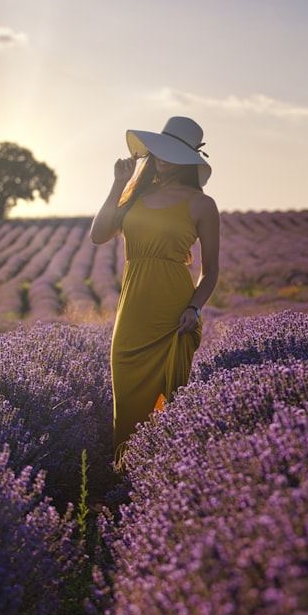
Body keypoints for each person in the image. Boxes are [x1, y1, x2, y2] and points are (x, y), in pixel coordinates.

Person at [90, 116, 220, 466]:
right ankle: (125, 482)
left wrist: (194, 309)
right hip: (131, 316)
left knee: (168, 403)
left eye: (172, 153)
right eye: (160, 151)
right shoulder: (137, 194)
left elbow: (210, 272)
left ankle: (162, 478)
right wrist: (119, 184)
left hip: (173, 315)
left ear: (188, 160)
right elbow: (98, 234)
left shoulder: (201, 205)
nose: (162, 158)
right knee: (128, 404)